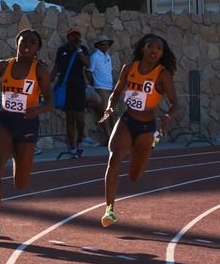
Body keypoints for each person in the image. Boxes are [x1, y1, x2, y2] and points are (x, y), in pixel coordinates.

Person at [0, 29, 53, 240]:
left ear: (38, 48)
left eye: (33, 42)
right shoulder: (3, 65)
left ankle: (20, 158)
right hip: (5, 121)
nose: (27, 44)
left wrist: (36, 110)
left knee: (21, 182)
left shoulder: (41, 70)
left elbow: (50, 102)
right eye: (24, 40)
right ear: (16, 42)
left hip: (28, 125)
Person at [98, 34, 178, 227]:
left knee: (135, 175)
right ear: (143, 48)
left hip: (146, 126)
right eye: (151, 46)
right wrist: (110, 106)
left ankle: (144, 146)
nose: (154, 50)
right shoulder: (129, 68)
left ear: (161, 54)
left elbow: (175, 103)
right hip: (127, 119)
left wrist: (167, 116)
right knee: (114, 158)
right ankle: (109, 209)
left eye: (159, 48)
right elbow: (117, 92)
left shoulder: (163, 75)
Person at [50, 27, 90, 156]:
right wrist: (47, 83)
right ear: (68, 37)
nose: (74, 38)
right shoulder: (62, 51)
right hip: (66, 88)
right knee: (69, 119)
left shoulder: (82, 49)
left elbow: (86, 63)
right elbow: (56, 68)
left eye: (77, 35)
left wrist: (78, 50)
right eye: (72, 35)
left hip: (79, 88)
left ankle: (80, 140)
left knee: (80, 119)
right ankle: (72, 146)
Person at [85, 33, 115, 146]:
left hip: (109, 88)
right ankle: (108, 137)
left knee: (111, 114)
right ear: (98, 45)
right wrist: (94, 85)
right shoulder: (95, 56)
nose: (106, 45)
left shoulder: (108, 56)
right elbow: (88, 71)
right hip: (101, 88)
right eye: (104, 43)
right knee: (105, 114)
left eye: (108, 43)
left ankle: (113, 136)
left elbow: (109, 72)